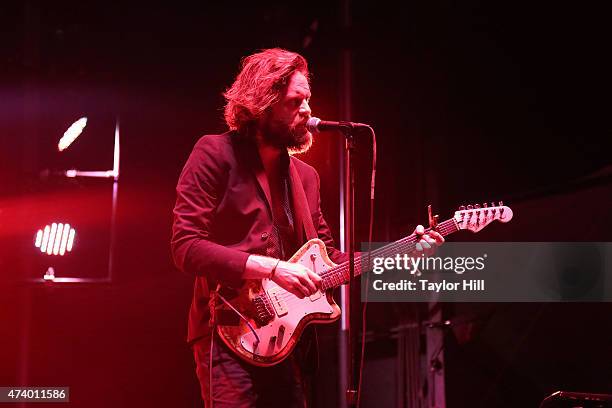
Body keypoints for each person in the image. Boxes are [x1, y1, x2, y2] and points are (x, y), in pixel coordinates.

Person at [171, 48, 444, 408]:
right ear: (262, 103)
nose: (307, 111)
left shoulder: (306, 178)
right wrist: (271, 267)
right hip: (226, 333)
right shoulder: (215, 154)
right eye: (295, 101)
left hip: (288, 343)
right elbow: (185, 246)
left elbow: (329, 258)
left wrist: (403, 250)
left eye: (308, 100)